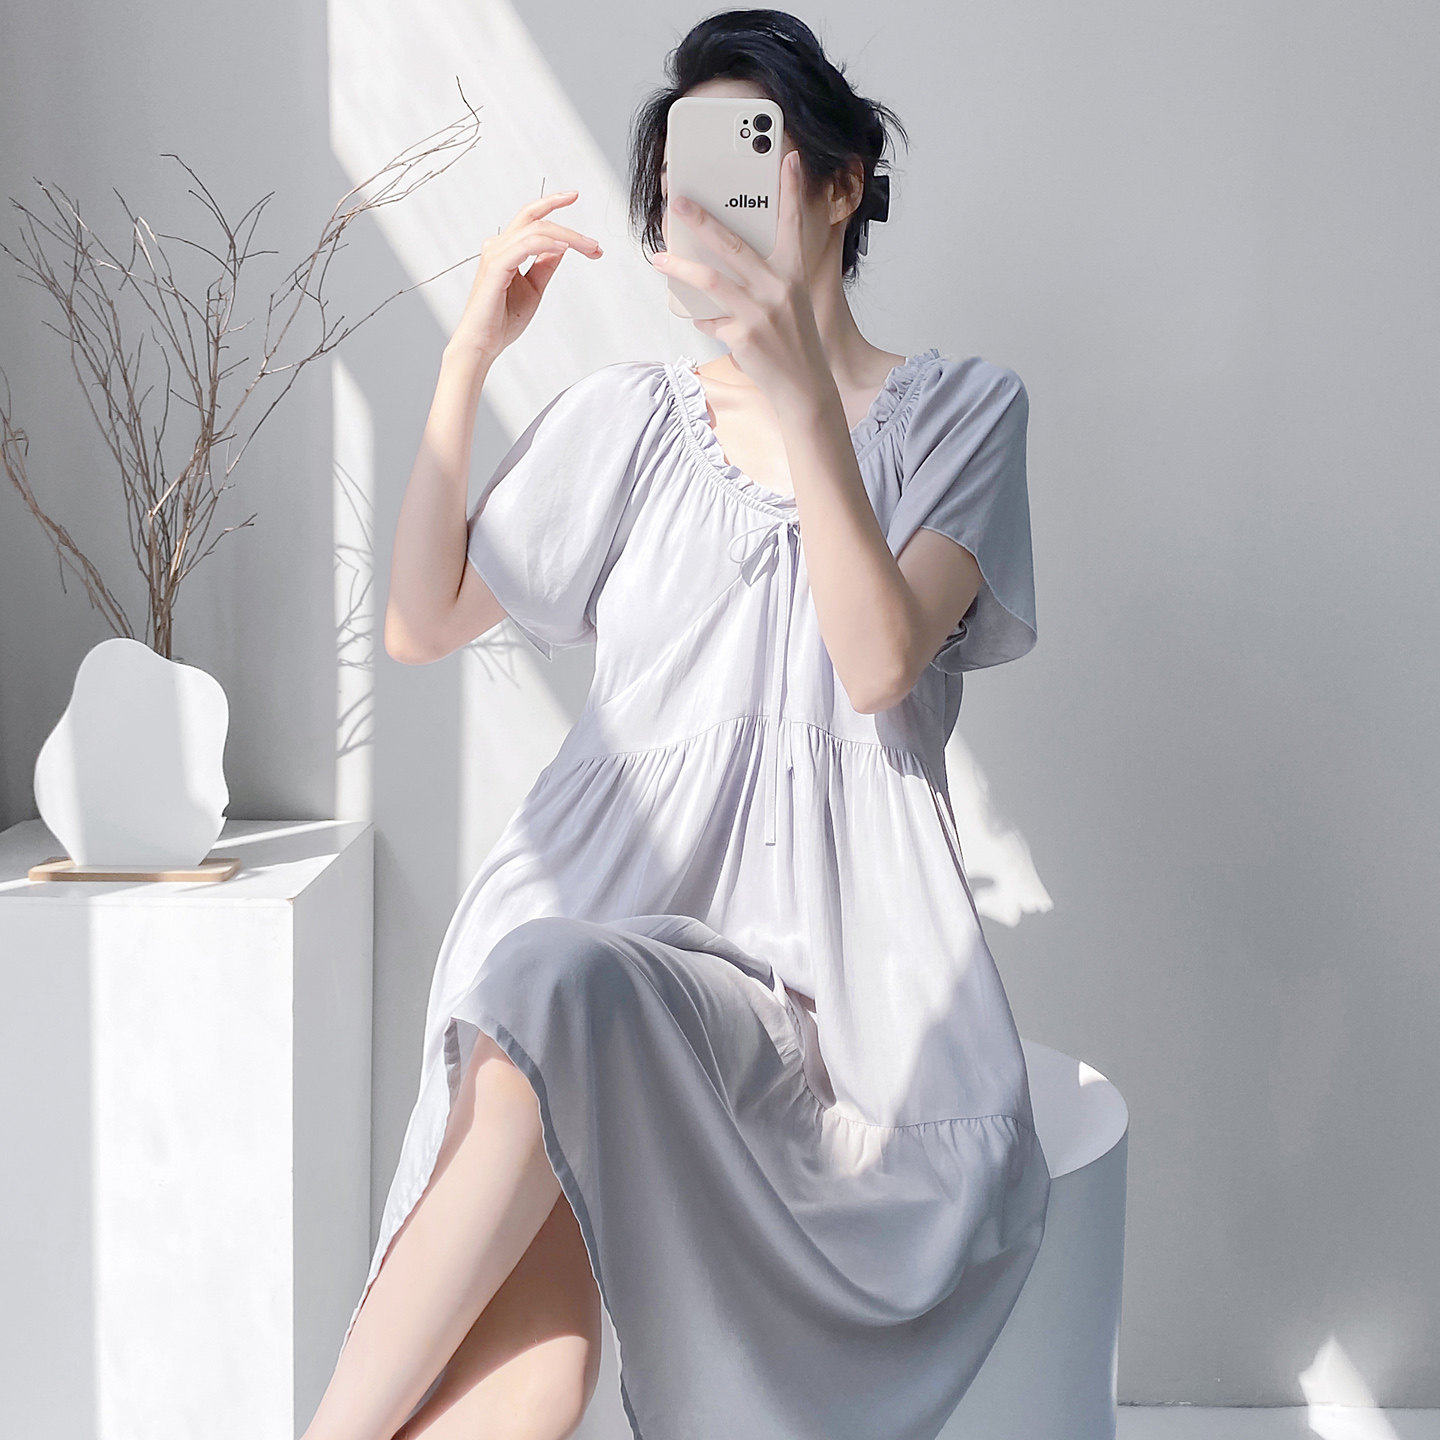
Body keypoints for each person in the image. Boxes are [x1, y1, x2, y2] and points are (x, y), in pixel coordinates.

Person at [302, 11, 1049, 1440]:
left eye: (750, 164)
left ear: (843, 183)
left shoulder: (962, 417)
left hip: (817, 1002)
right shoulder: (634, 424)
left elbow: (879, 659)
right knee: (536, 1380)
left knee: (562, 988)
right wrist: (469, 356)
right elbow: (422, 617)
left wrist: (799, 390)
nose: (710, 209)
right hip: (586, 930)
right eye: (683, 187)